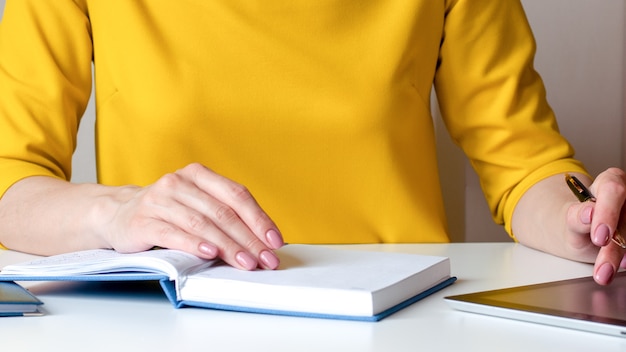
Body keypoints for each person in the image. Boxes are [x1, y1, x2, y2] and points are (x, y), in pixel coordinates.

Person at [0, 1, 624, 284]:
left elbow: (526, 165)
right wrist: (113, 212)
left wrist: (580, 220)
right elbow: (11, 181)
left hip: (400, 324)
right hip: (167, 322)